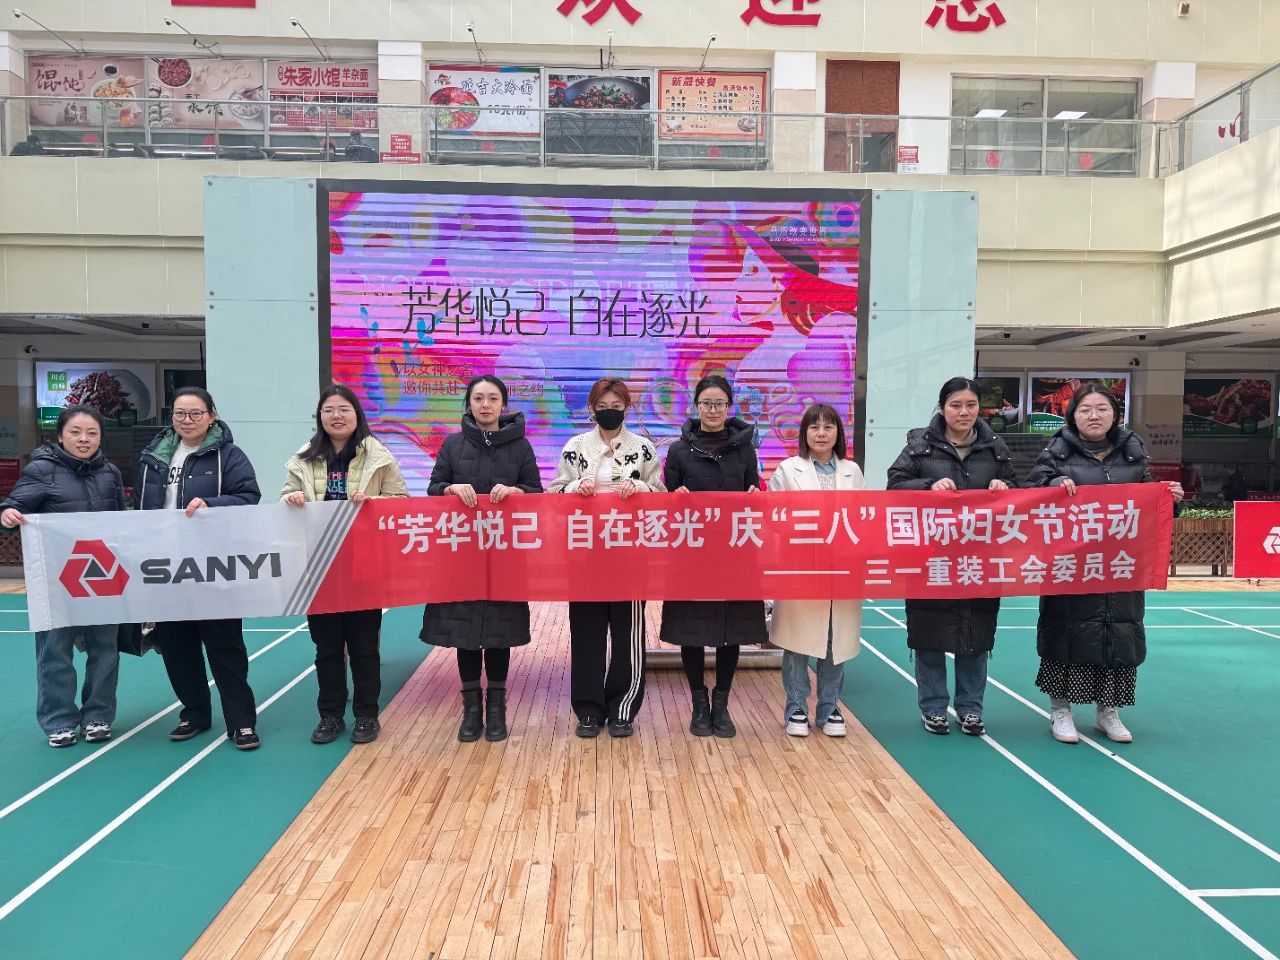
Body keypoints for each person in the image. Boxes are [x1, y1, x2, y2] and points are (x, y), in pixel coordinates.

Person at [1027, 383, 1183, 744]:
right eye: (1085, 410)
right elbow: (1031, 495)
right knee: (1065, 633)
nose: (1094, 415)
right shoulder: (1055, 454)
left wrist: (1170, 500)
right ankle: (1060, 710)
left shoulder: (1133, 457)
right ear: (1072, 416)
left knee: (1118, 634)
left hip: (1120, 566)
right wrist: (1054, 483)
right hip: (1070, 567)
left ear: (1115, 415)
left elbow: (1149, 507)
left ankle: (1107, 711)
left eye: (1102, 409)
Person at [886, 377, 1018, 737]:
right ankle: (933, 708)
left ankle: (970, 709)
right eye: (955, 405)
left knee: (976, 635)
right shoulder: (919, 447)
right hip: (931, 558)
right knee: (929, 635)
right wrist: (928, 486)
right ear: (942, 408)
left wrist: (1005, 487)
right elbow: (895, 486)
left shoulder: (995, 448)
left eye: (971, 405)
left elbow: (1019, 490)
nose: (964, 412)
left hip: (980, 559)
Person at [137, 387, 263, 750]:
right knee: (177, 646)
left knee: (225, 647)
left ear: (211, 416)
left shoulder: (229, 456)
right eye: (180, 414)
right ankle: (194, 713)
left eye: (195, 413)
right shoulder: (153, 457)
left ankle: (241, 721)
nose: (187, 420)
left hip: (213, 567)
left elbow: (249, 498)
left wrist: (211, 504)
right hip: (165, 567)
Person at [282, 385, 407, 746]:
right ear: (320, 417)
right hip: (319, 565)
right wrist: (291, 497)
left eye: (344, 409)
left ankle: (366, 714)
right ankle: (330, 715)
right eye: (329, 410)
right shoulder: (303, 457)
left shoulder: (379, 456)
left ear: (357, 415)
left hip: (363, 564)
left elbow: (400, 501)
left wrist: (373, 503)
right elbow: (284, 497)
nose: (336, 416)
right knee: (327, 648)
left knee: (365, 647)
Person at [422, 375, 542, 743]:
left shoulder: (520, 446)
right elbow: (433, 487)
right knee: (466, 631)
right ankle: (471, 709)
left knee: (499, 631)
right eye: (478, 398)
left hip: (504, 553)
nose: (485, 404)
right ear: (469, 404)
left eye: (492, 398)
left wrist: (517, 491)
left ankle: (497, 708)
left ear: (503, 404)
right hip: (462, 553)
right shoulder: (453, 444)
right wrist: (450, 488)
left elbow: (537, 492)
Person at [1, 406, 125, 748]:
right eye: (75, 432)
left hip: (103, 578)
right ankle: (59, 721)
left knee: (105, 651)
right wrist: (8, 514)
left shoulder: (110, 472)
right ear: (60, 436)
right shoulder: (41, 469)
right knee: (55, 651)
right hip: (55, 581)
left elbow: (121, 521)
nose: (84, 439)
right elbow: (12, 507)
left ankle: (98, 716)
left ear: (100, 437)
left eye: (92, 433)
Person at [549, 376, 664, 739]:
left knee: (628, 635)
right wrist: (574, 487)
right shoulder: (575, 447)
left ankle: (623, 708)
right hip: (585, 556)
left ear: (627, 408)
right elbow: (553, 493)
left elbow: (661, 494)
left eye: (616, 407)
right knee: (587, 634)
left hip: (630, 556)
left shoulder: (643, 448)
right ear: (592, 409)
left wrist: (640, 487)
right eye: (602, 407)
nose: (609, 412)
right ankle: (588, 709)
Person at [660, 374, 766, 738]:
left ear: (729, 407)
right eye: (707, 403)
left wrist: (756, 495)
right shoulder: (678, 450)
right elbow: (665, 500)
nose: (713, 410)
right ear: (696, 406)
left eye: (720, 403)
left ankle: (721, 703)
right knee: (692, 630)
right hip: (692, 553)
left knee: (730, 629)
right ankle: (699, 703)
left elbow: (754, 492)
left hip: (735, 552)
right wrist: (674, 498)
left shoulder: (745, 449)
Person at [767, 404, 866, 738]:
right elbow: (774, 516)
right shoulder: (787, 469)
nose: (821, 433)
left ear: (838, 433)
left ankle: (830, 707)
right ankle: (796, 706)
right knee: (798, 640)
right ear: (804, 433)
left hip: (842, 568)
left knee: (835, 640)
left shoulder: (852, 471)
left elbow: (863, 518)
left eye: (828, 427)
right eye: (814, 427)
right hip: (801, 567)